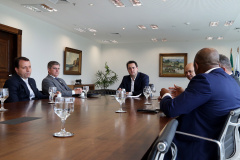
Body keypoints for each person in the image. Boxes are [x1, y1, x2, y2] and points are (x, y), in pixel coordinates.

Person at [160, 48, 240, 160]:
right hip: (220, 145)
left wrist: (166, 94)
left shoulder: (204, 80)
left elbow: (171, 109)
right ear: (217, 63)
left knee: (154, 141)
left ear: (196, 66)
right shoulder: (232, 80)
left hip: (198, 144)